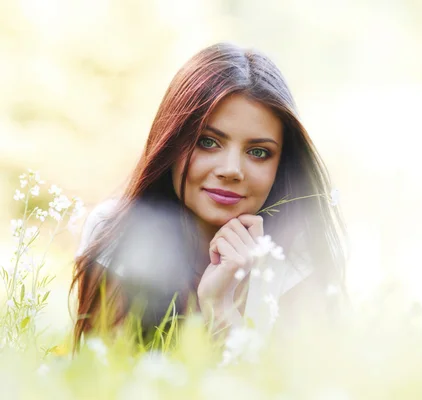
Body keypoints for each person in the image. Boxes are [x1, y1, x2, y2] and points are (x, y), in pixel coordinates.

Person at [70, 42, 348, 351]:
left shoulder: (296, 260)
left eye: (258, 152)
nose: (231, 170)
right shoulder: (116, 232)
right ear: (171, 142)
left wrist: (221, 309)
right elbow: (100, 380)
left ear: (281, 165)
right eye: (208, 142)